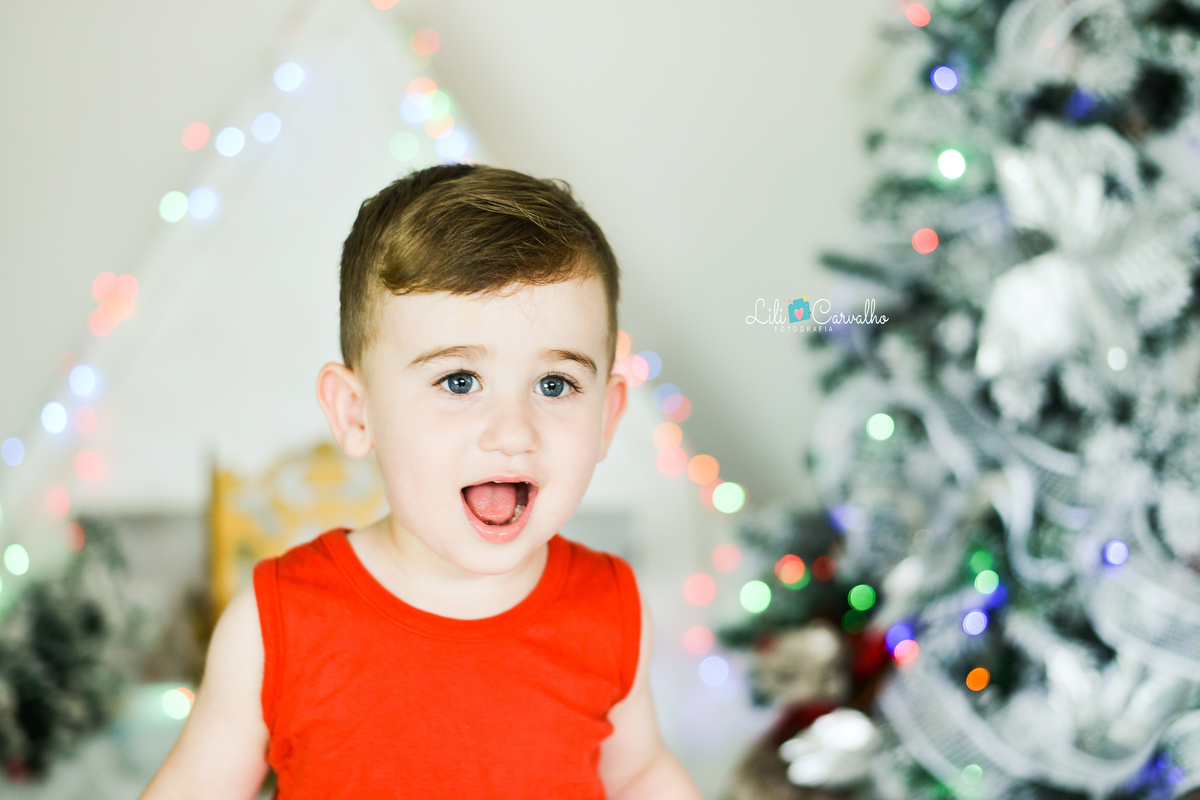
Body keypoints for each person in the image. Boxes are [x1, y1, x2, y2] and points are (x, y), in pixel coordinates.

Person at [139, 164, 704, 799]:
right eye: (459, 381)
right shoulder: (279, 622)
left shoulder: (610, 608)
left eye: (555, 385)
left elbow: (639, 775)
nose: (512, 431)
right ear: (357, 413)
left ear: (607, 418)